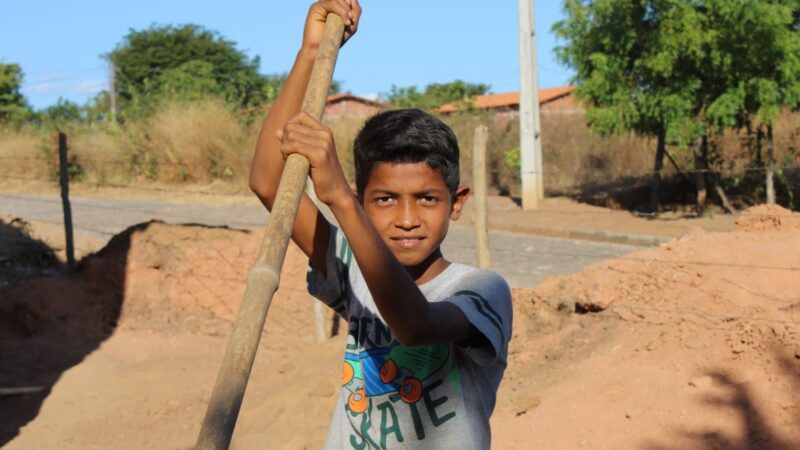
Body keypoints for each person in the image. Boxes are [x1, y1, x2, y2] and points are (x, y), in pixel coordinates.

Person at [249, 1, 512, 448]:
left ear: (457, 202)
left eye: (427, 198)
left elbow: (416, 325)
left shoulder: (482, 290)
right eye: (385, 199)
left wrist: (340, 199)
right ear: (364, 202)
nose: (407, 220)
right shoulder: (351, 267)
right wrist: (310, 53)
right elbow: (270, 184)